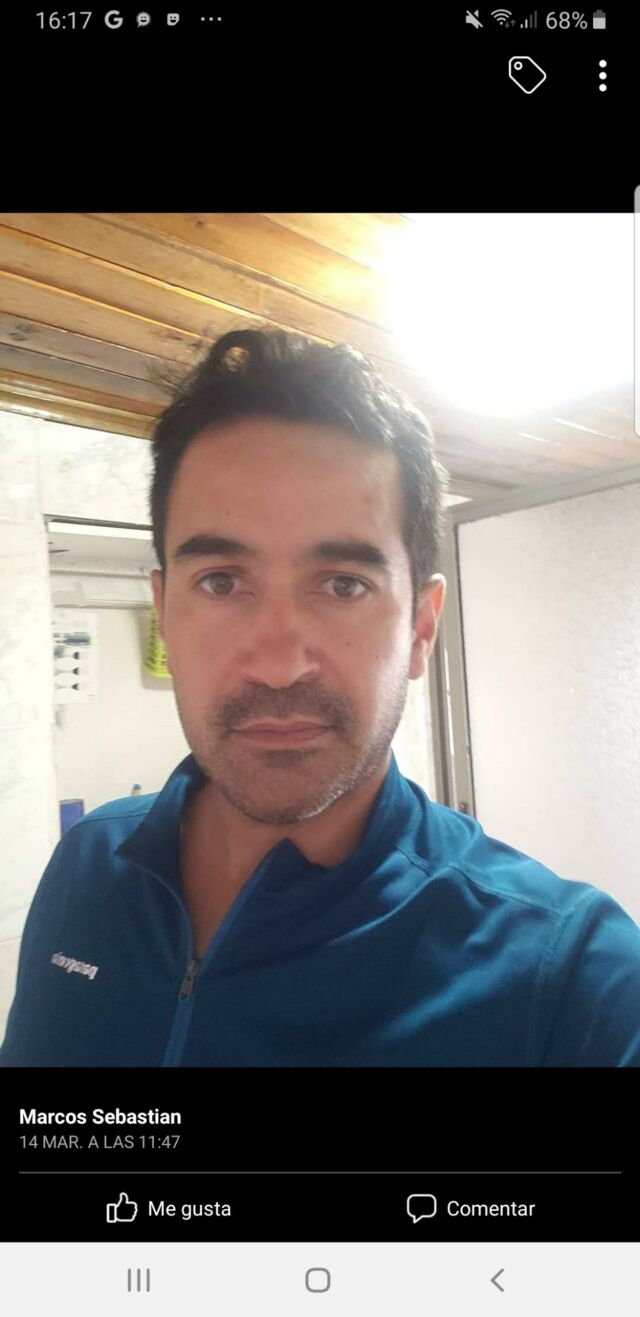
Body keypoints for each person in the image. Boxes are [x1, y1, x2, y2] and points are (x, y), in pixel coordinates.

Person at [2, 328, 639, 1067]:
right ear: (165, 611)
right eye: (220, 582)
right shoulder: (88, 864)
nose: (279, 666)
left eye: (343, 584)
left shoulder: (571, 978)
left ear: (421, 628)